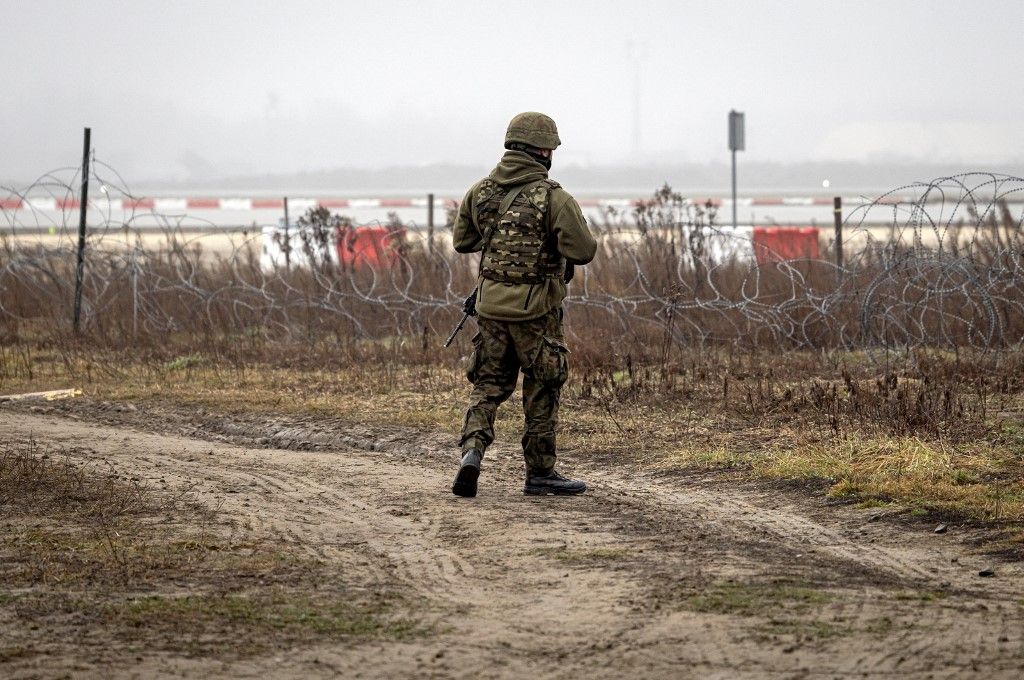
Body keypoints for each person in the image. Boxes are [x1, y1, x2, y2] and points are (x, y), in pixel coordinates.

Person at [450, 112, 597, 497]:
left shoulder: (479, 192)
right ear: (544, 150)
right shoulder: (554, 198)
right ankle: (540, 473)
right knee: (543, 386)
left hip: (491, 309)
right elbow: (583, 250)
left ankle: (472, 454)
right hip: (537, 313)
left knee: (488, 385)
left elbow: (463, 242)